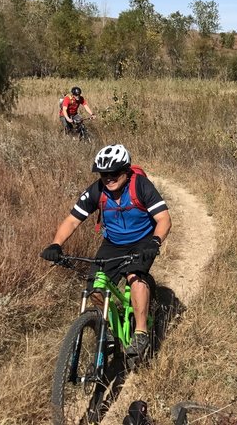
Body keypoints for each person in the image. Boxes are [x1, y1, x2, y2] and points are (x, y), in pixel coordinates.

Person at [40, 144, 172, 357]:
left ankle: (140, 333)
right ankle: (107, 329)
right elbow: (73, 220)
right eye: (103, 174)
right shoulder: (97, 190)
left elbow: (163, 218)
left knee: (135, 276)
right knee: (95, 287)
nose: (109, 178)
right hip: (112, 244)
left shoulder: (141, 186)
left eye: (114, 173)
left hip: (142, 241)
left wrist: (155, 241)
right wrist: (56, 244)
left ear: (126, 171)